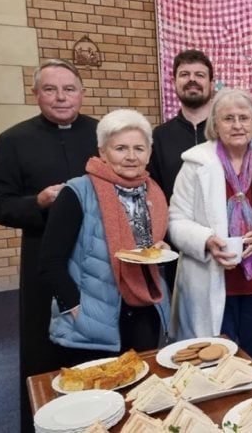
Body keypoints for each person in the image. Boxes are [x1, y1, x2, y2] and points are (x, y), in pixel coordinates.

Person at [0, 59, 99, 431]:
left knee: (98, 345)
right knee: (45, 350)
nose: (61, 97)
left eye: (69, 89)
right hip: (43, 263)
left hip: (96, 260)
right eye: (50, 89)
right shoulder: (14, 140)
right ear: (36, 95)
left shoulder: (101, 135)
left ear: (81, 93)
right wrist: (38, 202)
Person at [168, 88, 252, 371]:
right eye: (228, 118)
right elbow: (176, 220)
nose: (237, 125)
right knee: (213, 363)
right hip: (212, 282)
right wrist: (205, 240)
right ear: (214, 125)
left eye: (244, 117)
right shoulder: (195, 164)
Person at [38, 109, 171, 365]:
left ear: (149, 153)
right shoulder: (77, 192)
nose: (131, 157)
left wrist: (158, 248)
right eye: (120, 148)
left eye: (139, 148)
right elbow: (50, 262)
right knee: (98, 392)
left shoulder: (153, 192)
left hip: (145, 307)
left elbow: (144, 245)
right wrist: (77, 310)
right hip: (93, 314)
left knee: (141, 388)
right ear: (102, 152)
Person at [148, 49, 214, 286]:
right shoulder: (160, 135)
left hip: (222, 237)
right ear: (174, 82)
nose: (192, 80)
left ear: (211, 83)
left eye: (199, 74)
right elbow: (153, 192)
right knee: (184, 313)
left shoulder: (225, 132)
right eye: (184, 74)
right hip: (178, 240)